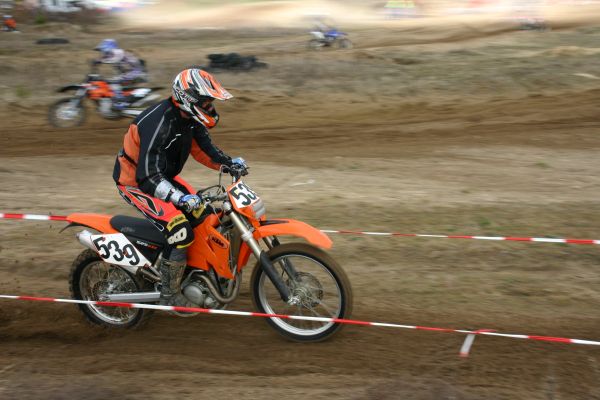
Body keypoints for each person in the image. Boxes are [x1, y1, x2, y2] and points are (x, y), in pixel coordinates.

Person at [112, 68, 243, 307]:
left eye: (211, 102)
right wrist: (179, 198)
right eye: (206, 102)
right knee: (180, 230)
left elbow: (204, 150)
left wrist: (229, 164)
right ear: (189, 98)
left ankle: (195, 272)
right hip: (136, 183)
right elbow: (147, 176)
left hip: (163, 177)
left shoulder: (189, 119)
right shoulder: (158, 123)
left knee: (206, 216)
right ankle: (170, 293)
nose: (210, 106)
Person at [93, 39, 147, 110]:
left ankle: (120, 103)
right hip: (130, 73)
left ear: (108, 48)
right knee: (109, 82)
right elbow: (107, 59)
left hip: (137, 72)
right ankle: (115, 101)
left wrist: (99, 61)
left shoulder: (118, 52)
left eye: (103, 50)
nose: (102, 52)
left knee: (114, 82)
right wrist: (96, 62)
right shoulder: (112, 54)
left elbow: (113, 59)